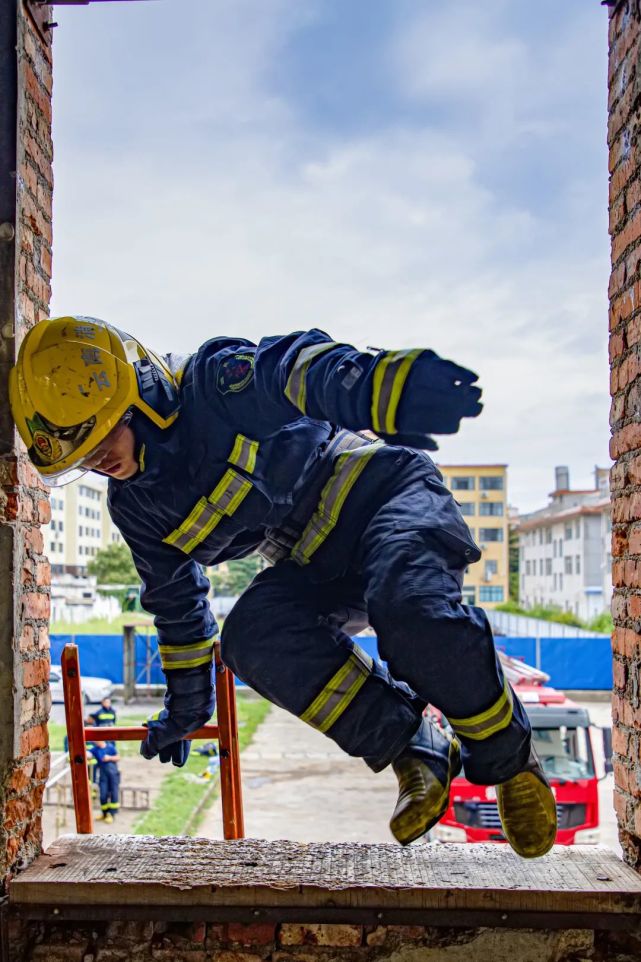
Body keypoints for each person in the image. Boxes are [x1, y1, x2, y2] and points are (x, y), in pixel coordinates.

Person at [10, 316, 557, 857]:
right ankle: (414, 748)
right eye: (80, 455)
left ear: (139, 395)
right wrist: (186, 710)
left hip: (384, 497)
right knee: (252, 638)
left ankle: (509, 760)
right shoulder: (138, 507)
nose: (97, 458)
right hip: (316, 562)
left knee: (411, 612)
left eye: (100, 432)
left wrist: (381, 388)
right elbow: (176, 605)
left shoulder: (214, 385)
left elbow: (293, 370)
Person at [88, 739, 121, 823]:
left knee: (114, 793)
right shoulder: (95, 749)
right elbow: (88, 754)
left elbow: (118, 757)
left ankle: (111, 815)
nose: (95, 742)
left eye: (96, 740)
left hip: (113, 774)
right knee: (103, 794)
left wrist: (109, 758)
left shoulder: (110, 747)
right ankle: (104, 813)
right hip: (103, 774)